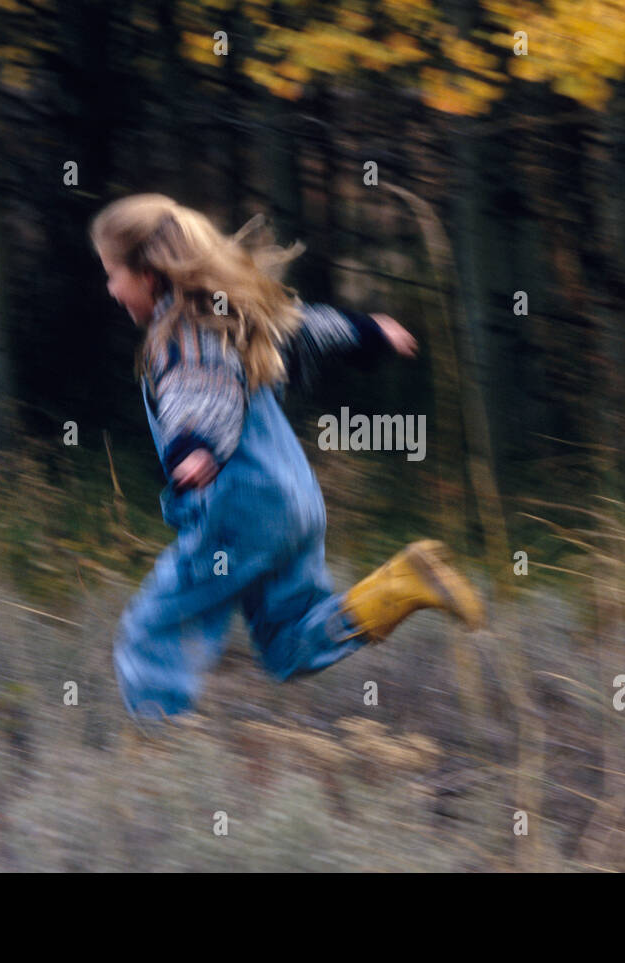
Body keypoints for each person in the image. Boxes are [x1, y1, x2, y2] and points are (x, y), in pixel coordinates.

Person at [89, 193, 485, 724]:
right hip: (293, 503)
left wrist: (194, 446)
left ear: (151, 274)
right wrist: (368, 331)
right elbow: (305, 325)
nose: (111, 289)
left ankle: (160, 758)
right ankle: (399, 586)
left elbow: (201, 389)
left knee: (149, 638)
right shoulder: (239, 313)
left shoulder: (183, 332)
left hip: (236, 512)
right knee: (288, 646)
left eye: (114, 273)